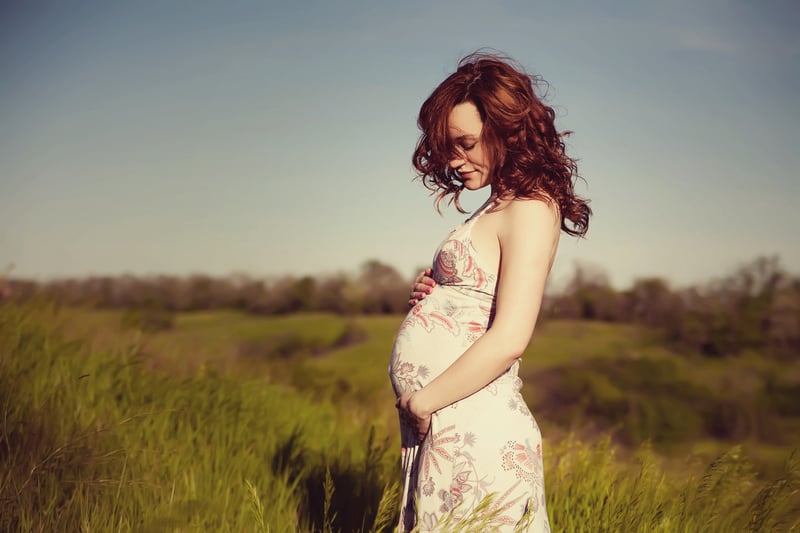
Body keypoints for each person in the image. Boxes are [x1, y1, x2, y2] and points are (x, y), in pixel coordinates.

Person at [388, 52, 591, 532]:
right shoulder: (496, 205)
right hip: (449, 423)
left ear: (507, 130)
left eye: (466, 144)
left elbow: (511, 336)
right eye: (446, 147)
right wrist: (437, 293)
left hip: (475, 427)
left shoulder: (531, 207)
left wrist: (422, 402)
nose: (454, 160)